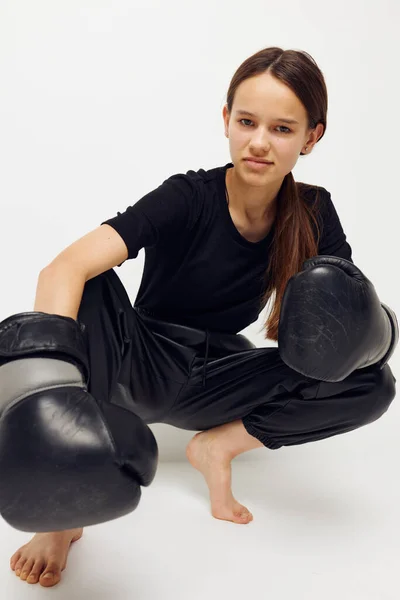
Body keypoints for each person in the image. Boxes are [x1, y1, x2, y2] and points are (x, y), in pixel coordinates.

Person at [3, 46, 397, 587]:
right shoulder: (188, 196)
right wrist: (49, 401)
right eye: (247, 121)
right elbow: (62, 268)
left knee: (373, 381)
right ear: (226, 121)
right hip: (139, 363)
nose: (259, 142)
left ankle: (218, 445)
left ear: (312, 137)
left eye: (282, 129)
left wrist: (379, 332)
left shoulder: (312, 211)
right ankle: (62, 519)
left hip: (219, 376)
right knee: (90, 281)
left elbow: (351, 319)